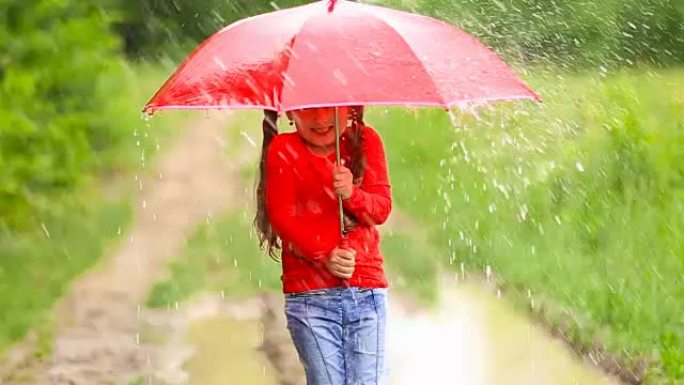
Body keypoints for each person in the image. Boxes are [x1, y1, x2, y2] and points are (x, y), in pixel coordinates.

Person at [254, 106, 392, 385]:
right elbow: (283, 217)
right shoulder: (284, 148)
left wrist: (352, 194)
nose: (319, 119)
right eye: (307, 110)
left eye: (330, 107)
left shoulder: (366, 141)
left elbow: (380, 210)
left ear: (351, 107)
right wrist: (324, 254)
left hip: (365, 292)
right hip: (310, 298)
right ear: (289, 113)